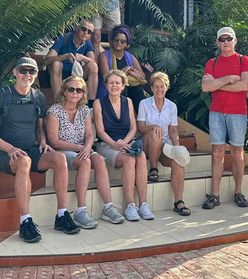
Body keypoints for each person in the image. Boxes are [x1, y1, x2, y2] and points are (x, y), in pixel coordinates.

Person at [0, 57, 80, 242]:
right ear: (15, 72)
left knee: (59, 159)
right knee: (24, 162)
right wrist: (10, 148)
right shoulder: (0, 96)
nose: (27, 75)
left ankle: (61, 215)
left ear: (36, 74)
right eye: (23, 71)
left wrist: (43, 141)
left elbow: (39, 127)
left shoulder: (38, 97)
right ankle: (25, 221)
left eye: (32, 71)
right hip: (4, 153)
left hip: (30, 150)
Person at [46, 75, 125, 229]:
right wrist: (80, 148)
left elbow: (90, 134)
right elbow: (54, 141)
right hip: (62, 151)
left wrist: (88, 146)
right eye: (71, 89)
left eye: (79, 90)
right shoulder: (55, 110)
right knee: (86, 161)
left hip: (82, 149)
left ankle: (108, 207)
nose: (75, 93)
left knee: (99, 160)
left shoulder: (83, 110)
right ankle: (81, 210)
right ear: (64, 92)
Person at [200, 27, 248, 210]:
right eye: (222, 39)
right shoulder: (212, 62)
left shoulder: (243, 60)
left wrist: (217, 84)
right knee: (217, 153)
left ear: (235, 41)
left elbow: (244, 86)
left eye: (229, 39)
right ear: (217, 43)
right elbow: (205, 87)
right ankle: (214, 194)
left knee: (238, 153)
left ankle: (238, 192)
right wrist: (229, 79)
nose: (226, 42)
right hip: (216, 112)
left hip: (238, 112)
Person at [93, 70, 154, 222]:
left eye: (117, 83)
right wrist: (115, 144)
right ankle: (130, 205)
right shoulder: (98, 103)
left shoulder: (128, 101)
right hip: (106, 144)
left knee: (140, 156)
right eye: (111, 82)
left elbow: (133, 128)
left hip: (126, 142)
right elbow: (100, 131)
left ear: (123, 85)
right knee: (129, 159)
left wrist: (125, 142)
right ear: (106, 85)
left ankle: (143, 203)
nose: (114, 85)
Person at [137, 72, 190, 216]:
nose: (159, 89)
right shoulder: (144, 104)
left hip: (164, 146)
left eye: (162, 86)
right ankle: (153, 169)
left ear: (167, 87)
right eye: (156, 86)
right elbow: (140, 127)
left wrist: (177, 146)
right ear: (152, 88)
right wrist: (154, 126)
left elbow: (173, 130)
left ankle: (179, 201)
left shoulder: (172, 106)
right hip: (147, 143)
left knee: (178, 161)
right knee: (156, 133)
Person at [44, 20, 98, 107]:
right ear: (77, 28)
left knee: (93, 66)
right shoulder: (64, 38)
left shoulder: (87, 43)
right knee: (57, 64)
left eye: (89, 32)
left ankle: (91, 104)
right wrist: (64, 56)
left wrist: (83, 58)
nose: (86, 33)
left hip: (75, 74)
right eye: (83, 29)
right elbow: (46, 60)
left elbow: (93, 61)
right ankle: (59, 102)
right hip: (58, 73)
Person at [97, 26, 146, 111]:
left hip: (129, 90)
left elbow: (143, 76)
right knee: (123, 88)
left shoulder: (131, 58)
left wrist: (131, 70)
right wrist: (123, 71)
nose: (119, 42)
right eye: (116, 40)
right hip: (110, 89)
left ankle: (142, 120)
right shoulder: (104, 56)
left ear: (127, 44)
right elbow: (107, 77)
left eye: (123, 41)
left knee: (137, 90)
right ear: (112, 41)